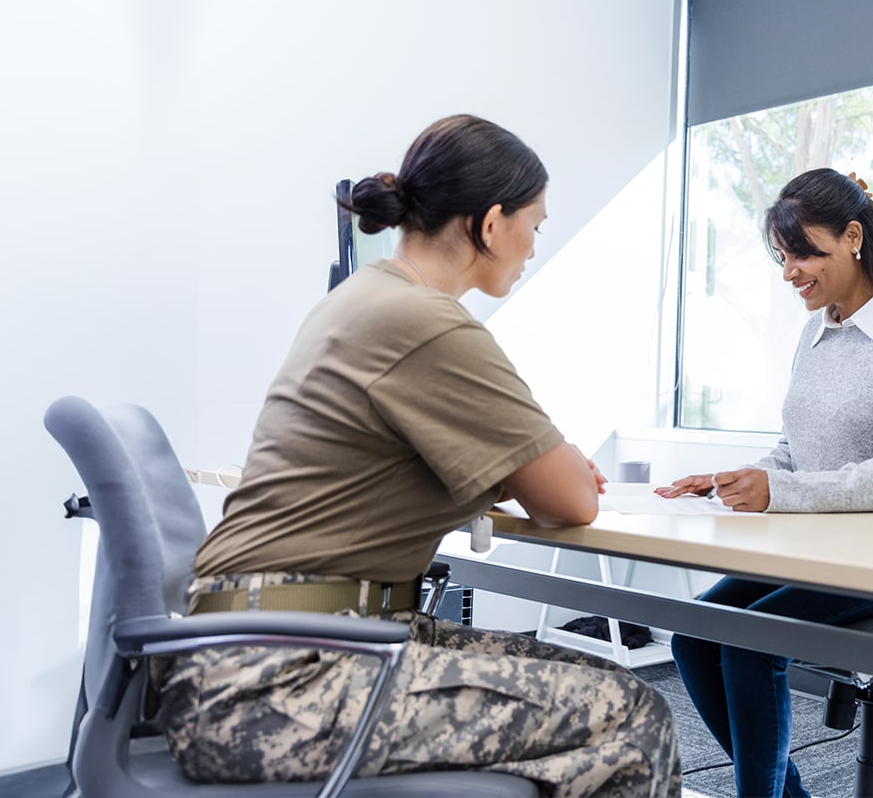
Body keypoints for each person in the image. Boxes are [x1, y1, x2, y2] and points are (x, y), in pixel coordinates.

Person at [158, 114, 679, 798]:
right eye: (535, 226)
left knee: (602, 691)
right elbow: (570, 500)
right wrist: (562, 460)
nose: (532, 248)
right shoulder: (428, 323)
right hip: (277, 680)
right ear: (491, 225)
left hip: (260, 651)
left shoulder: (364, 297)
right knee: (633, 712)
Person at [655, 167, 873, 798]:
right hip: (824, 546)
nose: (790, 271)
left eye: (804, 253)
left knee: (749, 645)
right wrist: (736, 480)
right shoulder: (818, 328)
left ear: (853, 236)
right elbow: (796, 453)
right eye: (782, 255)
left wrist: (782, 494)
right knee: (693, 634)